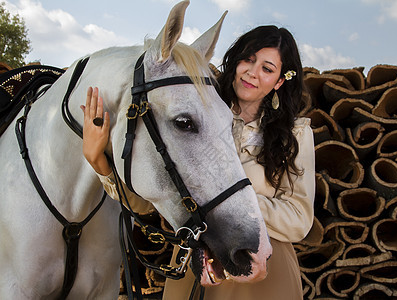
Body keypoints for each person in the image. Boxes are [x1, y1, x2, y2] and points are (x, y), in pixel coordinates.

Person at [81, 25, 315, 300]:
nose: (253, 72)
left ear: (278, 81)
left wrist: (227, 203)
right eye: (248, 59)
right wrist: (98, 159)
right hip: (197, 264)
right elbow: (147, 202)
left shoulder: (296, 135)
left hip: (265, 272)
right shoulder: (192, 120)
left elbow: (299, 219)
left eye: (267, 68)